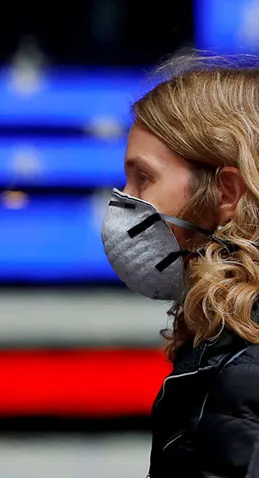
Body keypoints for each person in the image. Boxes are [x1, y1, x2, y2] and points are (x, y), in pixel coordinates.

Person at [100, 53, 259, 478]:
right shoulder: (224, 350)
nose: (122, 202)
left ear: (226, 194)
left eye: (144, 179)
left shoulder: (245, 373)